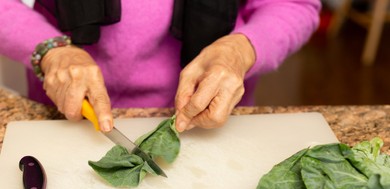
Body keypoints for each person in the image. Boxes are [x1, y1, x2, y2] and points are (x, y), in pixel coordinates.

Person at [0, 0, 321, 133]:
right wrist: (50, 50)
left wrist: (240, 50)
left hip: (209, 124)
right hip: (65, 118)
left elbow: (294, 5)